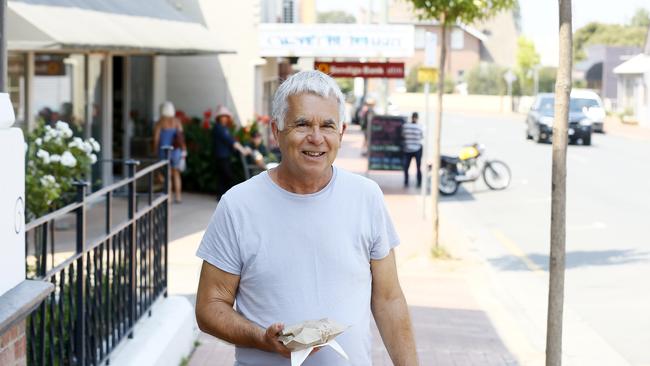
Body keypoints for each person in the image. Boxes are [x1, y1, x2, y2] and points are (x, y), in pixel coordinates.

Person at [195, 70, 418, 365]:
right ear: (276, 131)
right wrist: (261, 338)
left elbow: (389, 299)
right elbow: (209, 306)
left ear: (341, 131)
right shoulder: (238, 205)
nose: (316, 138)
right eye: (302, 124)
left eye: (327, 125)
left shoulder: (367, 197)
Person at [211, 105, 250, 201]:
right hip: (221, 156)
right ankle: (225, 196)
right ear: (219, 117)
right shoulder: (219, 128)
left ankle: (221, 196)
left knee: (223, 176)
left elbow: (231, 140)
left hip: (225, 156)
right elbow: (230, 141)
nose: (224, 118)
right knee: (227, 175)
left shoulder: (224, 128)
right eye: (222, 116)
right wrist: (242, 150)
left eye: (225, 116)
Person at [153, 101, 186, 203]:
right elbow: (181, 138)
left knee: (167, 175)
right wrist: (184, 151)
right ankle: (178, 197)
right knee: (176, 174)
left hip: (164, 151)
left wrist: (154, 150)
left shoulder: (160, 122)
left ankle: (169, 198)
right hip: (176, 151)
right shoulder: (177, 122)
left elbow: (156, 139)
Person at [402, 112, 424, 188]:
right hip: (417, 149)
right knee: (418, 167)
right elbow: (421, 137)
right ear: (417, 118)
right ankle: (419, 182)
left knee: (406, 167)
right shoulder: (419, 127)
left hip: (407, 149)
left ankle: (406, 181)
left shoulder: (406, 126)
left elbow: (403, 135)